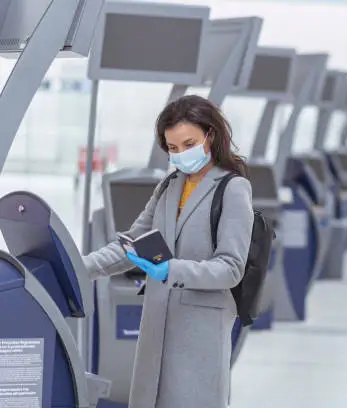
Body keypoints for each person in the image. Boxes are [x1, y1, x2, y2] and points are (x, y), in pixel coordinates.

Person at [83, 95, 254, 408]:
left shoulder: (232, 189)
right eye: (173, 148)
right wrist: (81, 267)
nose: (181, 155)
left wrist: (172, 270)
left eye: (188, 144)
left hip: (198, 330)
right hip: (157, 321)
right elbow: (131, 242)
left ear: (210, 136)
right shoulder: (168, 186)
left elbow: (231, 267)